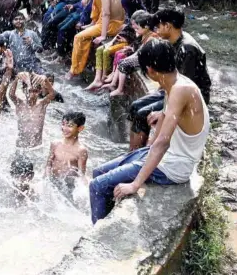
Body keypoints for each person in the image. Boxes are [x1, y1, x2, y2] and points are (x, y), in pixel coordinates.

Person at [89, 39, 210, 224]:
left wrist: (135, 184)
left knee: (97, 186)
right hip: (166, 157)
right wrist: (145, 149)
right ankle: (107, 216)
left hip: (174, 165)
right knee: (98, 172)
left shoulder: (180, 89)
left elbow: (162, 142)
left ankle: (96, 235)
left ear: (151, 70)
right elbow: (164, 118)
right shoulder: (175, 83)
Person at [127, 9, 211, 150]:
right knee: (135, 106)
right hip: (173, 91)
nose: (156, 31)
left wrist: (163, 112)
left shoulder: (187, 49)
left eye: (158, 27)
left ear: (168, 26)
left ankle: (139, 153)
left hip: (192, 98)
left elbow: (185, 89)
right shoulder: (173, 42)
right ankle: (133, 151)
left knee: (143, 114)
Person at [65, 0, 125, 80]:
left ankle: (74, 70)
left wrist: (103, 35)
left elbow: (106, 14)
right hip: (116, 22)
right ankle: (93, 23)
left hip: (111, 25)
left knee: (79, 37)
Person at [101, 10, 158, 96]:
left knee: (123, 64)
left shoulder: (151, 37)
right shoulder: (145, 34)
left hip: (147, 61)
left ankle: (120, 89)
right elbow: (138, 49)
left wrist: (128, 57)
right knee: (122, 61)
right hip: (143, 57)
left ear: (146, 27)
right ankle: (113, 83)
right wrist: (130, 48)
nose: (136, 31)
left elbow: (140, 52)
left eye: (137, 29)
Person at [8, 71, 55, 149]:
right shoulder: (20, 104)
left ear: (39, 91)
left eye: (35, 91)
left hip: (36, 147)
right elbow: (11, 94)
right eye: (30, 91)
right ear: (24, 90)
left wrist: (45, 80)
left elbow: (52, 94)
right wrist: (16, 78)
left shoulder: (41, 105)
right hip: (20, 147)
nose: (32, 94)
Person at [84, 24, 135, 91]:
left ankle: (103, 78)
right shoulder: (128, 25)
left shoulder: (138, 28)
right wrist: (112, 41)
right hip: (118, 41)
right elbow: (119, 33)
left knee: (106, 52)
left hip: (126, 43)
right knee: (99, 50)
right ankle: (97, 79)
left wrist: (126, 41)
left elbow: (134, 41)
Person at [45, 111, 88, 188]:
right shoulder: (55, 144)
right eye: (63, 124)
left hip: (69, 185)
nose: (65, 128)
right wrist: (46, 180)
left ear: (80, 128)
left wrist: (85, 189)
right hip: (52, 181)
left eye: (70, 126)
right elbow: (48, 165)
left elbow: (81, 175)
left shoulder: (81, 151)